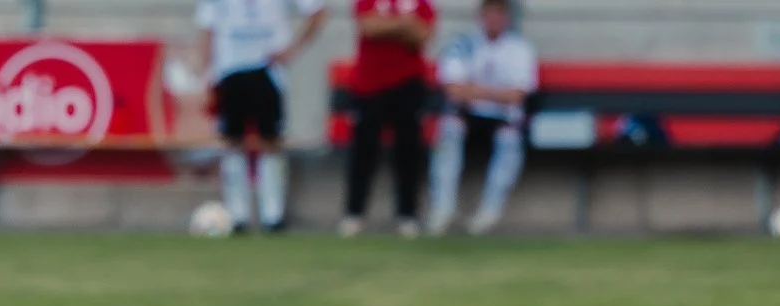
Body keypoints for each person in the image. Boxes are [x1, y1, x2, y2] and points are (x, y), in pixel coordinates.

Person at [196, 0, 328, 233]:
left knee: (270, 141)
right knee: (233, 141)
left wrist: (292, 49)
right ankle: (237, 216)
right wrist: (206, 74)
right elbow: (208, 28)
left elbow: (317, 11)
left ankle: (273, 216)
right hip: (229, 68)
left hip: (268, 70)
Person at [426, 0, 537, 236]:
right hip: (467, 115)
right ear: (480, 15)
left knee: (509, 139)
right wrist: (496, 93)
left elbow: (518, 94)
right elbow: (453, 89)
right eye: (489, 12)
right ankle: (442, 209)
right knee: (448, 133)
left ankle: (490, 210)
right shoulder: (463, 44)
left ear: (507, 17)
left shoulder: (519, 48)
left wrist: (475, 90)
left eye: (499, 13)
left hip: (502, 117)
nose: (494, 18)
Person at [340, 0, 438, 238]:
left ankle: (407, 215)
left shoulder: (421, 3)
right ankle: (354, 213)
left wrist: (387, 26)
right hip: (368, 85)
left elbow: (422, 35)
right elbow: (368, 28)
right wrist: (405, 24)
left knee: (408, 152)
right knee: (363, 151)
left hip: (408, 84)